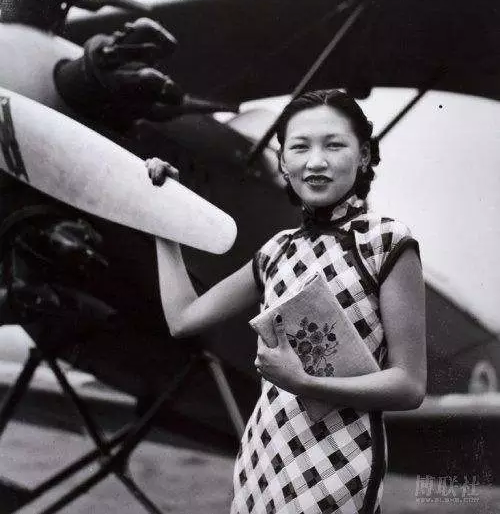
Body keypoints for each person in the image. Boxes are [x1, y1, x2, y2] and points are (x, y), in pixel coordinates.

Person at [146, 89, 426, 514]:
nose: (315, 161)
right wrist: (163, 216)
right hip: (264, 451)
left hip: (341, 458)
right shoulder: (276, 251)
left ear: (364, 156)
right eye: (299, 147)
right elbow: (183, 318)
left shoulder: (387, 242)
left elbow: (409, 386)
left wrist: (304, 383)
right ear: (281, 161)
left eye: (334, 145)